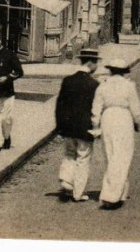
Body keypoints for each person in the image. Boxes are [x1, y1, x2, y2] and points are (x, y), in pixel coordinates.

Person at [91, 58, 140, 210]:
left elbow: (96, 108)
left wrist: (95, 125)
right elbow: (135, 107)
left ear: (110, 70)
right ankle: (112, 196)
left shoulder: (103, 86)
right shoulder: (128, 86)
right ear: (124, 72)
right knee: (122, 156)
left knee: (110, 154)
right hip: (123, 118)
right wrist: (138, 122)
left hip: (107, 118)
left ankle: (120, 192)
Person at [55, 49, 102, 202]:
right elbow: (96, 109)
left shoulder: (68, 80)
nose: (96, 66)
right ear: (90, 63)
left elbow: (60, 105)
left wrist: (60, 127)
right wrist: (97, 127)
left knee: (69, 154)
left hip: (68, 127)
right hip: (85, 128)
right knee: (83, 158)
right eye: (96, 63)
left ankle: (66, 182)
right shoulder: (94, 84)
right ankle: (78, 193)